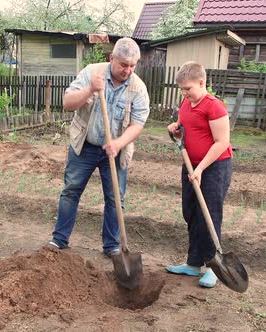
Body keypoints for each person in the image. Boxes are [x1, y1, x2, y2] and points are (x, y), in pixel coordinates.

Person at [48, 37, 150, 257]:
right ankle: (59, 239)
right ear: (111, 58)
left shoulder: (138, 88)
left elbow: (137, 124)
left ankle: (112, 246)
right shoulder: (91, 73)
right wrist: (90, 90)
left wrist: (118, 143)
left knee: (115, 198)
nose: (128, 70)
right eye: (123, 65)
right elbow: (67, 103)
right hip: (84, 146)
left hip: (116, 152)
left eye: (133, 65)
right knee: (71, 190)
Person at [166, 61, 233, 288]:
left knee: (209, 215)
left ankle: (213, 268)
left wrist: (201, 168)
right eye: (182, 89)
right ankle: (193, 263)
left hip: (214, 167)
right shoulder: (187, 103)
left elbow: (222, 142)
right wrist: (175, 127)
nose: (184, 94)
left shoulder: (215, 107)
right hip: (191, 164)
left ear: (201, 82)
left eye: (188, 89)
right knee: (191, 213)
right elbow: (185, 127)